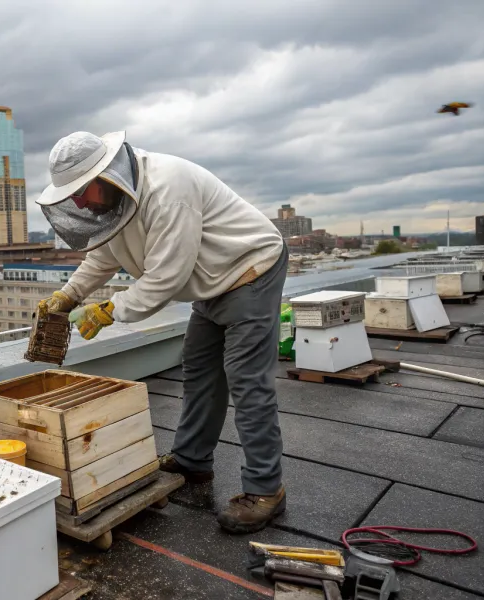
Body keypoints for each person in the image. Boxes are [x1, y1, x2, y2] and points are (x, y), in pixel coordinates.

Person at [36, 130, 289, 534]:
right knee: (201, 371)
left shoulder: (170, 189)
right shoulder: (117, 201)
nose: (80, 202)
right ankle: (192, 461)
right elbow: (103, 255)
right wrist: (69, 295)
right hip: (210, 280)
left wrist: (108, 310)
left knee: (247, 383)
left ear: (107, 176)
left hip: (249, 269)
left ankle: (265, 490)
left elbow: (165, 278)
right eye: (73, 196)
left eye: (83, 191)